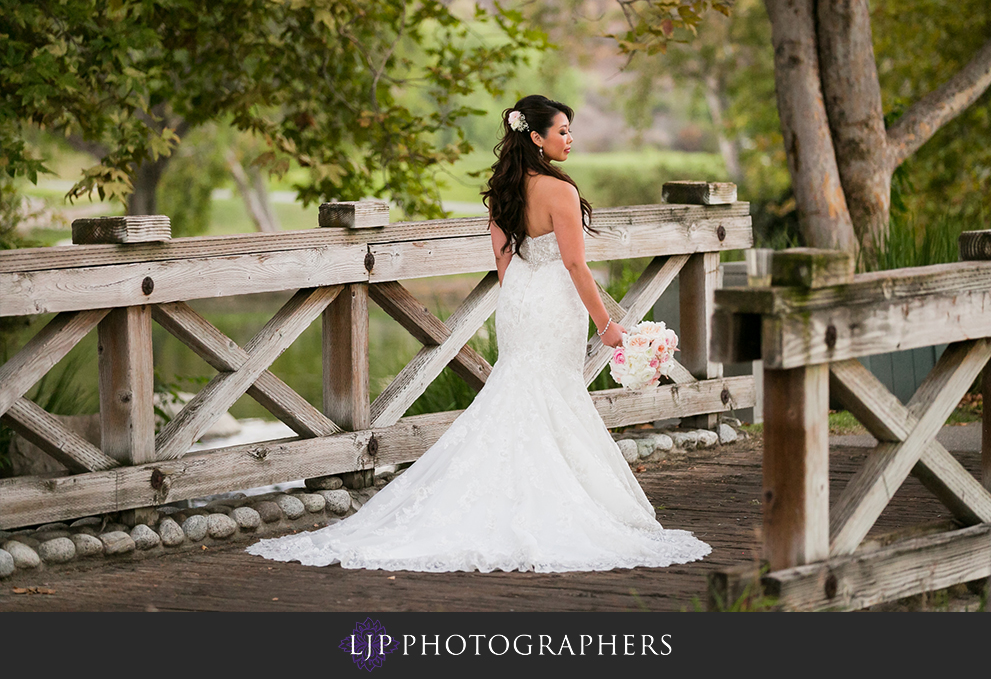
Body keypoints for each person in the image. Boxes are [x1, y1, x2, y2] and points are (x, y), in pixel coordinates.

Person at [246, 95, 712, 572]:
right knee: (552, 392)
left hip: (520, 300)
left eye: (570, 131)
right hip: (553, 300)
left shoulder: (504, 189)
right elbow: (575, 264)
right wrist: (607, 325)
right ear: (536, 136)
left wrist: (522, 301)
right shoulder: (561, 191)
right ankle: (549, 504)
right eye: (563, 131)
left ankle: (512, 495)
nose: (570, 139)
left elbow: (504, 261)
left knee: (519, 390)